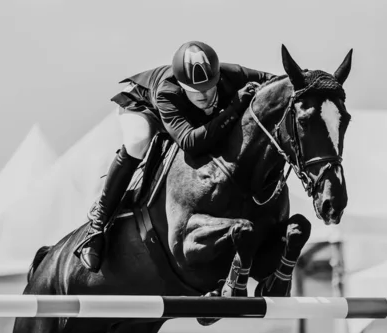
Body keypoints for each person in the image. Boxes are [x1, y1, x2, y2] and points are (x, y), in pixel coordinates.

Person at [75, 41, 275, 272]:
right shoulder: (168, 92)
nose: (202, 94)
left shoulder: (232, 73)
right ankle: (98, 225)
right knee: (138, 141)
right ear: (181, 85)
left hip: (183, 117)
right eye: (193, 89)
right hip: (143, 105)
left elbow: (280, 83)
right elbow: (191, 143)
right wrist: (233, 108)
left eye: (209, 86)